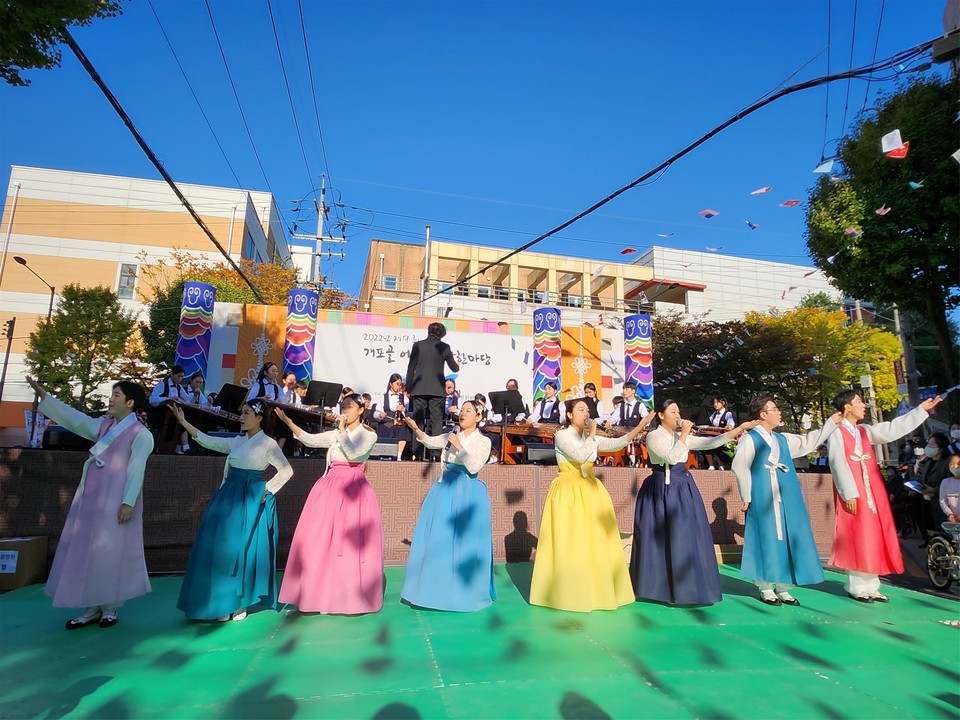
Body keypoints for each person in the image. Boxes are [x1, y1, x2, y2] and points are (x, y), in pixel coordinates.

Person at [27, 376, 153, 629]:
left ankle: (110, 607)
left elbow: (136, 469)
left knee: (111, 551)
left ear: (130, 402)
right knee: (89, 551)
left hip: (117, 500)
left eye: (117, 395)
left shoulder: (141, 434)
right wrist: (45, 397)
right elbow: (76, 420)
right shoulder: (104, 426)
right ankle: (91, 606)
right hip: (93, 498)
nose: (111, 398)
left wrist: (128, 502)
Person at [172, 399, 293, 621]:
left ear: (259, 418)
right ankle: (219, 600)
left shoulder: (268, 443)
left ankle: (239, 602)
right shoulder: (236, 441)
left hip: (249, 498)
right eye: (242, 413)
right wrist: (183, 422)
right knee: (220, 548)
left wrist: (266, 490)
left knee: (242, 549)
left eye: (247, 413)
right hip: (228, 495)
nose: (242, 417)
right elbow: (208, 441)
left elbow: (286, 470)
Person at [529, 398, 651, 612]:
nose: (586, 414)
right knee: (572, 540)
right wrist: (593, 435)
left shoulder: (589, 436)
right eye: (581, 410)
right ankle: (568, 591)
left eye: (587, 410)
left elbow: (615, 444)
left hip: (591, 490)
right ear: (569, 415)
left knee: (593, 539)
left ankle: (595, 589)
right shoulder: (562, 435)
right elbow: (579, 455)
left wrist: (639, 428)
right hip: (569, 490)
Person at [631, 398, 757, 606]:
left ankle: (687, 586)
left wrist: (739, 429)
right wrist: (685, 435)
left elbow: (710, 443)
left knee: (686, 535)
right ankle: (661, 588)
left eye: (678, 411)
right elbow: (670, 458)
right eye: (672, 412)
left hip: (683, 487)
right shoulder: (654, 436)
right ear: (661, 416)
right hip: (663, 488)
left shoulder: (681, 436)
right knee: (664, 538)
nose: (678, 415)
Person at [826, 390, 942, 602]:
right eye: (859, 402)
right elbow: (837, 464)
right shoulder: (836, 432)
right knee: (857, 534)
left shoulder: (863, 431)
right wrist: (848, 493)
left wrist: (920, 411)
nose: (864, 405)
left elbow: (892, 429)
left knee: (874, 533)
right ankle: (856, 585)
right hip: (854, 490)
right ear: (847, 407)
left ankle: (872, 584)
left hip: (872, 488)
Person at [275, 395, 384, 614]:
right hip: (329, 487)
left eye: (350, 407)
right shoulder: (336, 434)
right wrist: (288, 422)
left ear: (361, 410)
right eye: (343, 406)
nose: (345, 410)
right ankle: (320, 593)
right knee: (320, 538)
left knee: (348, 542)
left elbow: (354, 453)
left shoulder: (368, 435)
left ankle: (347, 595)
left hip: (353, 489)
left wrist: (342, 431)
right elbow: (309, 440)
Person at [731, 396, 842, 606]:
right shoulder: (750, 438)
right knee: (766, 538)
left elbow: (808, 441)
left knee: (788, 536)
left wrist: (829, 425)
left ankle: (784, 586)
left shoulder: (782, 439)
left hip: (786, 492)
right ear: (762, 414)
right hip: (763, 494)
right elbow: (740, 467)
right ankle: (765, 587)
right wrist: (746, 495)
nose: (779, 412)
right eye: (774, 409)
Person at [401, 401, 495, 611]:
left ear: (478, 417)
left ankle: (465, 590)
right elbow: (431, 442)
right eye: (461, 410)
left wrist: (459, 447)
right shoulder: (452, 434)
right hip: (445, 488)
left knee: (465, 541)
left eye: (468, 411)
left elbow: (473, 466)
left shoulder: (483, 441)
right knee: (440, 536)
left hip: (468, 491)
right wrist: (416, 429)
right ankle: (436, 587)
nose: (462, 413)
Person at [405, 322, 459, 459]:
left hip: (419, 388)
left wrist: (409, 388)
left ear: (429, 331)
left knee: (418, 422)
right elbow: (454, 368)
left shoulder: (418, 345)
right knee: (436, 422)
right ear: (442, 333)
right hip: (437, 390)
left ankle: (416, 454)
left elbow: (411, 368)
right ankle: (435, 455)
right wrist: (457, 365)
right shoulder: (445, 347)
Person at [917, 432, 953, 537]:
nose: (928, 447)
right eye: (928, 444)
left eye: (932, 445)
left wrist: (933, 490)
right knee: (930, 528)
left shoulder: (947, 463)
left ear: (941, 448)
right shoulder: (928, 462)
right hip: (927, 501)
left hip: (941, 503)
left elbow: (951, 483)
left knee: (941, 531)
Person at [375, 373, 411, 461]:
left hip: (399, 422)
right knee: (387, 427)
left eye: (400, 385)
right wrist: (380, 415)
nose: (398, 387)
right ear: (391, 384)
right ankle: (385, 454)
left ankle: (399, 455)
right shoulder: (383, 397)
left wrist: (404, 410)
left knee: (404, 429)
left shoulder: (405, 399)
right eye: (396, 384)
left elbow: (408, 412)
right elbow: (375, 413)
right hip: (388, 421)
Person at [175, 372, 208, 455]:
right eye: (197, 382)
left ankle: (199, 446)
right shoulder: (184, 390)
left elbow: (204, 403)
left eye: (200, 383)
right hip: (184, 413)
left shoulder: (199, 392)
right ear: (191, 381)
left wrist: (209, 402)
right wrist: (195, 397)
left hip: (194, 414)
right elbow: (187, 404)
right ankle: (186, 447)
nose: (198, 384)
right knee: (189, 420)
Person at [147, 364, 187, 433]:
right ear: (171, 374)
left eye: (182, 377)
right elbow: (152, 400)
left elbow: (187, 399)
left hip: (171, 416)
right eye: (178, 376)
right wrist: (167, 398)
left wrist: (195, 396)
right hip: (160, 415)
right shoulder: (162, 384)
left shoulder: (179, 387)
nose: (180, 379)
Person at [704, 396, 735, 471]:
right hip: (713, 436)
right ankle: (711, 465)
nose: (715, 404)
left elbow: (731, 422)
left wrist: (730, 426)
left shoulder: (727, 413)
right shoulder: (714, 414)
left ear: (723, 403)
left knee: (719, 447)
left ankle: (721, 464)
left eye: (717, 402)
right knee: (705, 444)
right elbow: (708, 422)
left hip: (722, 436)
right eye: (714, 402)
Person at [938, 453, 960, 522]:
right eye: (951, 464)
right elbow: (943, 501)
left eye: (958, 464)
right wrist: (950, 514)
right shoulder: (945, 482)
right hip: (955, 521)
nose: (955, 467)